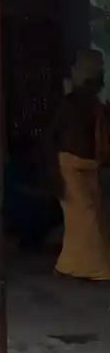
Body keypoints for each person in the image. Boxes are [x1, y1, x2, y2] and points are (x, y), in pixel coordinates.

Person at [48, 49, 110, 280]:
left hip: (90, 168)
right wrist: (53, 173)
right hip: (70, 169)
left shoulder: (96, 106)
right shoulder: (69, 105)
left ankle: (70, 266)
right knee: (85, 221)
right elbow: (50, 138)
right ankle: (91, 269)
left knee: (92, 220)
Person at [4, 136, 62, 251]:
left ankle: (32, 238)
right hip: (19, 206)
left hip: (28, 203)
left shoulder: (32, 167)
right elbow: (22, 188)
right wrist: (47, 195)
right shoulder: (16, 167)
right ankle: (30, 238)